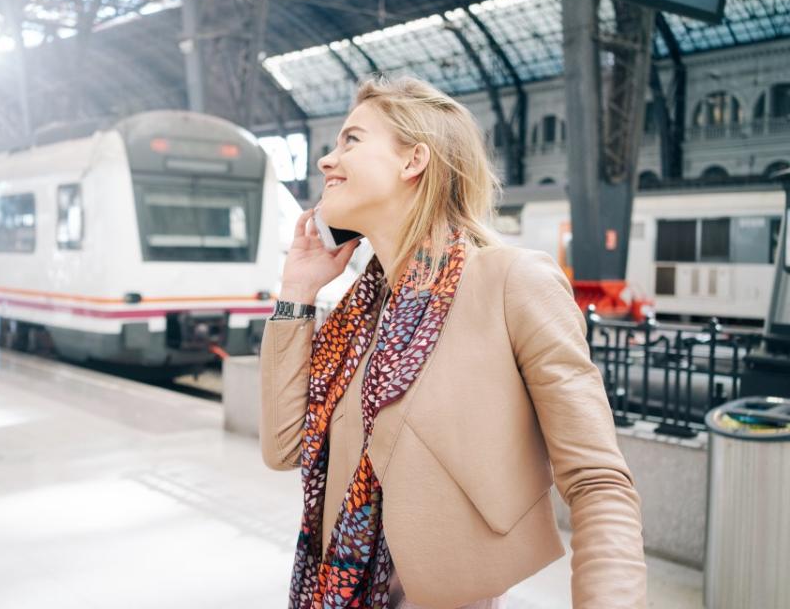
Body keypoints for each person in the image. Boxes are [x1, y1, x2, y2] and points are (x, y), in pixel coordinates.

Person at [259, 75, 647, 609]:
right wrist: (297, 291)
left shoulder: (512, 283)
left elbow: (597, 479)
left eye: (350, 140)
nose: (327, 160)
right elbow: (283, 448)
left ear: (413, 161)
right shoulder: (359, 315)